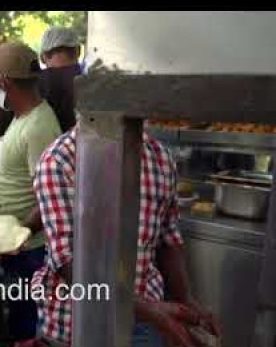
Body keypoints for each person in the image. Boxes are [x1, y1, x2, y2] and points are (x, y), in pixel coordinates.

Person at [32, 127, 221, 347]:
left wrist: (185, 299)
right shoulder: (59, 161)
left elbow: (168, 238)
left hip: (145, 325)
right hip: (75, 324)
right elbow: (70, 264)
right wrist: (151, 312)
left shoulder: (160, 157)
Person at [0, 41, 62, 346]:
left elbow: (49, 198)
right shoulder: (21, 118)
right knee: (19, 318)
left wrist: (19, 233)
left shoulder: (39, 126)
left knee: (29, 325)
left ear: (4, 82)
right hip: (19, 246)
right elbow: (21, 177)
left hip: (31, 250)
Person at [0, 26, 82, 161]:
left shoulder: (35, 86)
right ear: (78, 51)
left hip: (50, 166)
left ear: (43, 57)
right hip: (86, 167)